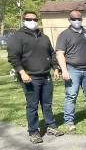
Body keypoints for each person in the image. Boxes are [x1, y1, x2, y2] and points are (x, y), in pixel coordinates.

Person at [7, 11, 64, 144]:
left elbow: (51, 53)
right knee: (32, 106)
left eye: (35, 19)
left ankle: (51, 126)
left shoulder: (44, 37)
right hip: (29, 77)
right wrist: (22, 72)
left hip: (46, 76)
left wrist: (56, 68)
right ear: (23, 20)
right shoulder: (17, 37)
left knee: (47, 104)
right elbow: (13, 57)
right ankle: (33, 131)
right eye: (29, 19)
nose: (32, 21)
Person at [56, 10, 86, 131]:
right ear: (69, 20)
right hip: (72, 70)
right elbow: (60, 53)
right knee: (71, 96)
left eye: (79, 18)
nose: (76, 21)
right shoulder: (64, 35)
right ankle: (69, 121)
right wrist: (64, 70)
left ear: (82, 19)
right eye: (74, 18)